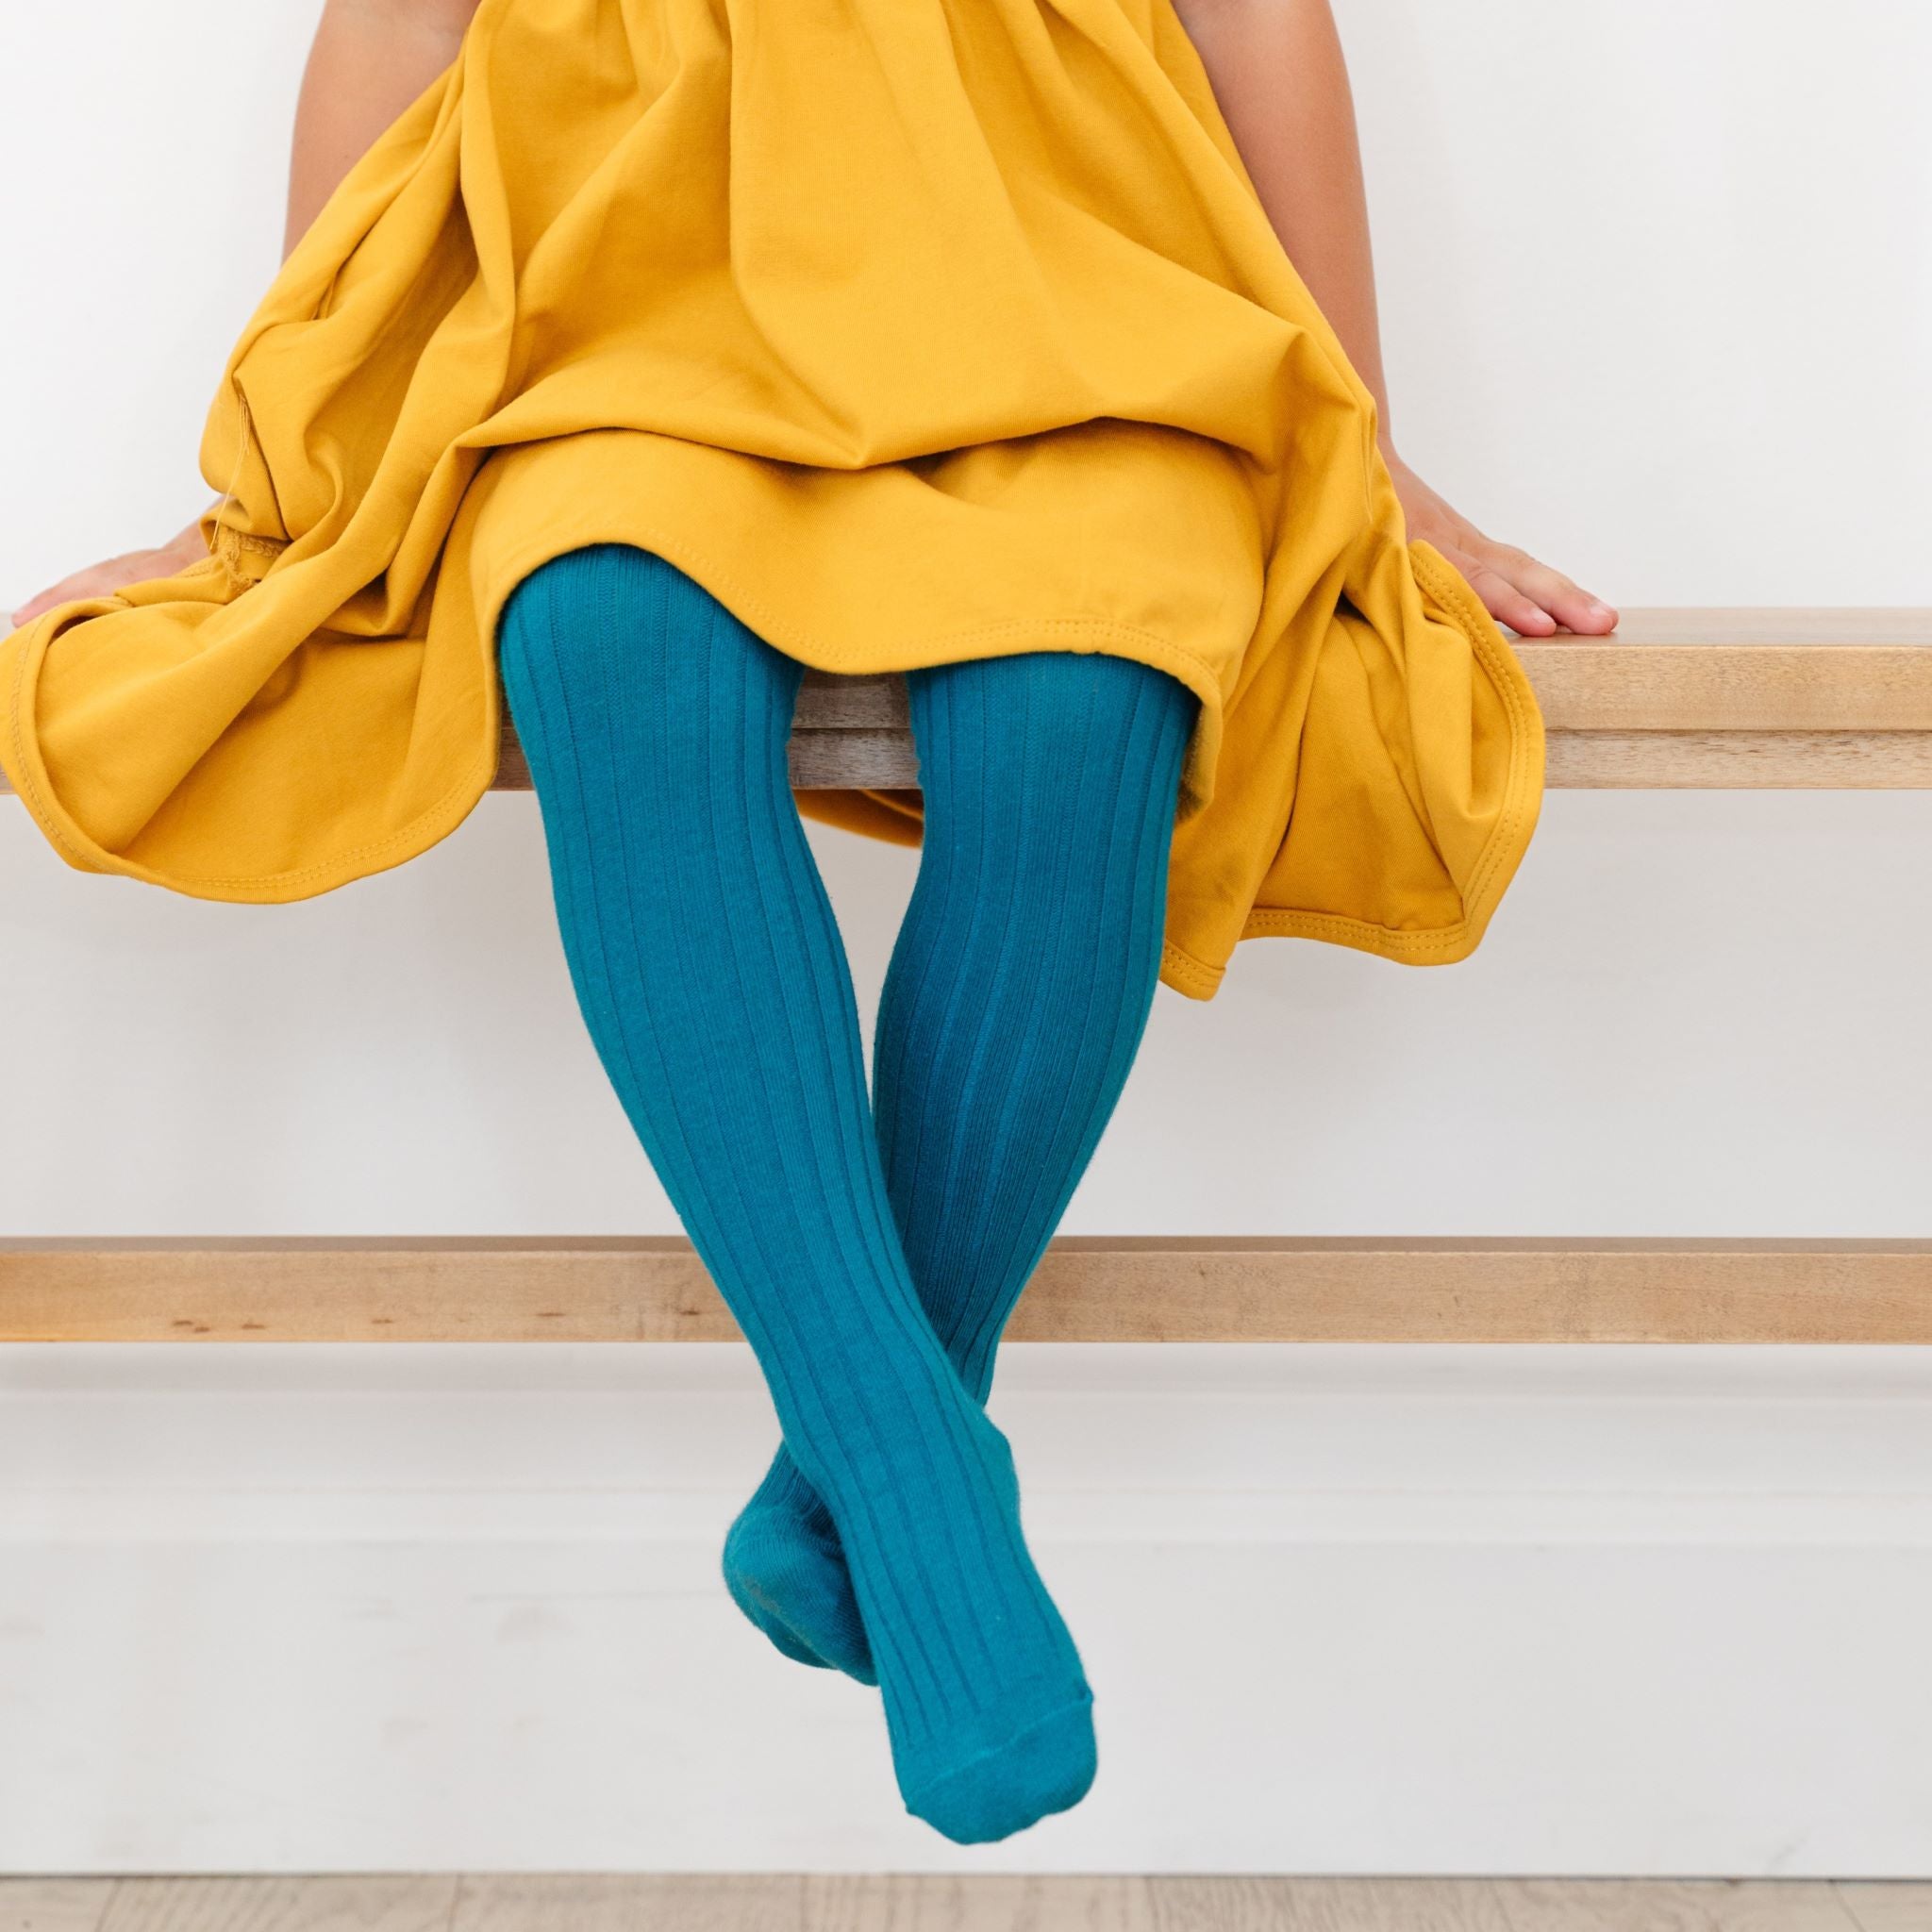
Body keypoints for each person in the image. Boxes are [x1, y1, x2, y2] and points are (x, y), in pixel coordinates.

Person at [6, 0, 1615, 1844]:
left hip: (1075, 271)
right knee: (605, 636)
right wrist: (302, 473)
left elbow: (1258, 13)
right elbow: (391, 23)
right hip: (630, 280)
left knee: (1086, 692)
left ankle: (840, 1475)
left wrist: (1366, 447)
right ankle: (918, 1480)